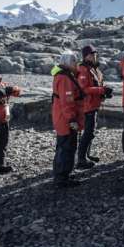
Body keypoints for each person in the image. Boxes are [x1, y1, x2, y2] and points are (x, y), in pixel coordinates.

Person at [51, 51, 85, 188]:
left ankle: (62, 174)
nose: (76, 64)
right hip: (66, 119)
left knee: (64, 146)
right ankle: (61, 178)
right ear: (67, 63)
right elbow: (67, 102)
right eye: (74, 61)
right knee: (66, 147)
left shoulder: (64, 76)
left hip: (62, 117)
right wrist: (72, 120)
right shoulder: (65, 78)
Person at [76, 45, 113, 169]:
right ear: (85, 56)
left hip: (94, 104)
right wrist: (102, 90)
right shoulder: (83, 69)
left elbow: (99, 83)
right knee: (88, 132)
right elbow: (84, 89)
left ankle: (86, 155)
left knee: (91, 132)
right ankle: (81, 158)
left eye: (95, 54)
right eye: (91, 54)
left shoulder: (94, 69)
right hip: (87, 106)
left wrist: (105, 90)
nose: (94, 56)